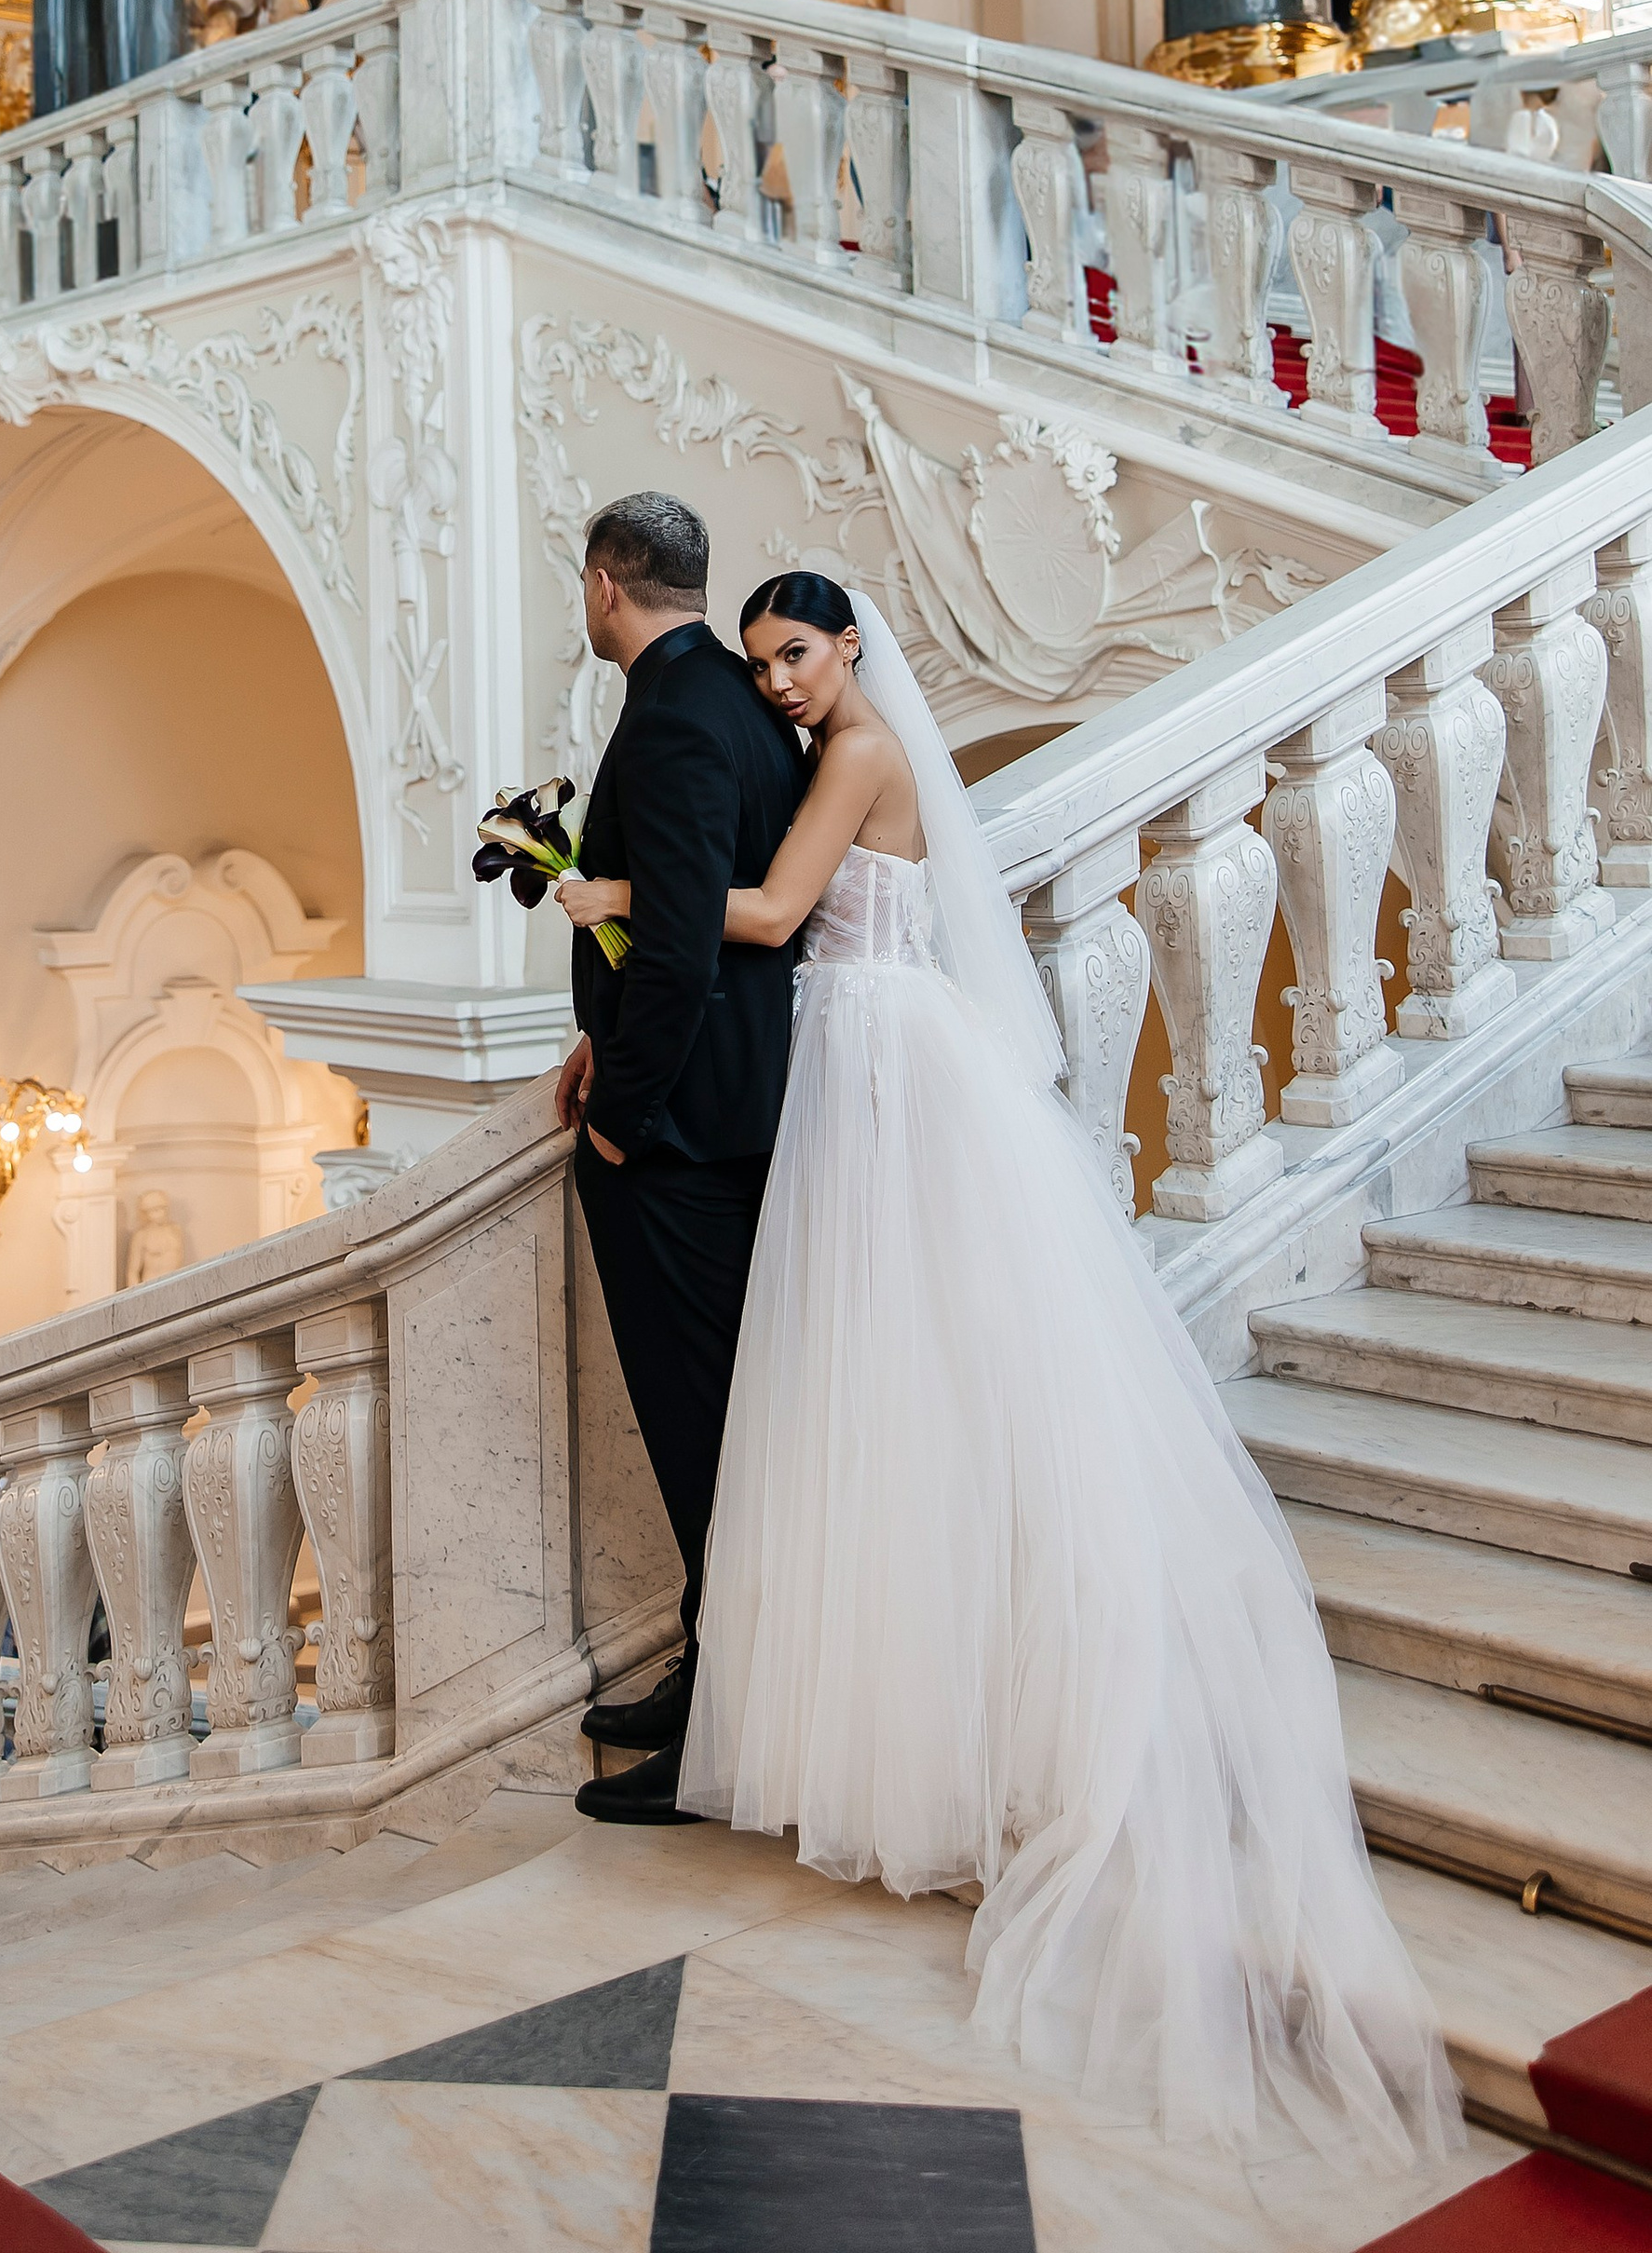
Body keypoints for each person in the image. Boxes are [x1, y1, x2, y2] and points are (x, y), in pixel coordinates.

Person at [559, 571, 1459, 2165]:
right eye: (762, 657)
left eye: (796, 654)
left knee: (898, 1373)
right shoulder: (831, 743)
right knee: (876, 1384)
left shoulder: (854, 753)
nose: (775, 680)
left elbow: (763, 916)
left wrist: (597, 891)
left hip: (875, 1058)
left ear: (849, 648)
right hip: (858, 1054)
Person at [552, 494, 806, 1828]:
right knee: (713, 1427)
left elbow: (686, 944)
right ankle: (707, 1670)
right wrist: (601, 1049)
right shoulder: (739, 696)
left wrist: (619, 1116)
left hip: (689, 1137)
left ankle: (724, 1725)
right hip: (713, 1108)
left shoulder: (677, 716)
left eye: (582, 587)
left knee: (709, 1438)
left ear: (607, 585)